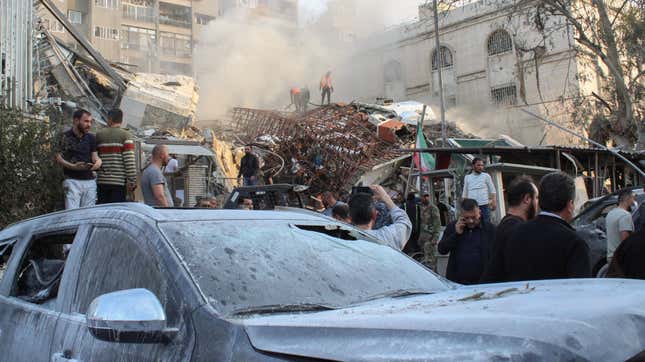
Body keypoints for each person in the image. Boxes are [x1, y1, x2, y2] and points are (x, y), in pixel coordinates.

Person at [502, 172, 591, 281]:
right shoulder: (574, 242)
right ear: (570, 205)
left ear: (540, 202)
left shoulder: (516, 233)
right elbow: (581, 289)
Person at [481, 176, 539, 283]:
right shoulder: (517, 230)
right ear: (527, 199)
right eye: (536, 198)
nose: (537, 203)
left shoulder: (506, 224)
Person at [438, 198, 496, 284]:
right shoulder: (453, 226)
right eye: (466, 218)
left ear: (479, 213)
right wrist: (456, 234)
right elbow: (442, 249)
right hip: (458, 283)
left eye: (474, 217)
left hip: (484, 283)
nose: (470, 221)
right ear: (461, 215)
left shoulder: (489, 229)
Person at [55, 109, 102, 209]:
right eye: (86, 121)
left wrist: (98, 162)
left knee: (88, 215)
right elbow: (57, 157)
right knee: (72, 215)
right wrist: (72, 166)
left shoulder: (91, 138)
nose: (89, 124)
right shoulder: (64, 137)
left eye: (90, 122)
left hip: (89, 181)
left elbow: (95, 156)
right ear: (76, 121)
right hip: (72, 181)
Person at [348, 185, 412, 250]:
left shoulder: (343, 240)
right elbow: (404, 222)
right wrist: (386, 197)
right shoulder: (386, 238)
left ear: (350, 218)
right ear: (375, 215)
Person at [95, 108, 136, 204]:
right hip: (118, 183)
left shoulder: (99, 135)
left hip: (102, 181)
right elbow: (129, 160)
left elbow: (95, 157)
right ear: (121, 120)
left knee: (102, 210)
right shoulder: (126, 135)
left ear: (109, 119)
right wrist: (132, 179)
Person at [605, 189, 636, 264]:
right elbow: (625, 240)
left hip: (611, 256)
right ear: (628, 199)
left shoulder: (610, 214)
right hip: (621, 258)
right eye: (633, 198)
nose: (633, 201)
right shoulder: (625, 215)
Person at [462, 157, 497, 223]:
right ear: (473, 166)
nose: (481, 167)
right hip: (471, 207)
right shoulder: (467, 177)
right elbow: (465, 192)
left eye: (482, 165)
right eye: (478, 165)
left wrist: (494, 202)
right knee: (473, 223)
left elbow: (492, 190)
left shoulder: (486, 176)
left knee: (486, 224)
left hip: (484, 206)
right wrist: (463, 206)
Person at [419, 193, 442, 269]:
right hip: (423, 238)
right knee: (425, 262)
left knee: (431, 262)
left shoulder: (433, 208)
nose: (422, 199)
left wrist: (435, 238)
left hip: (431, 238)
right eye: (422, 197)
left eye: (425, 197)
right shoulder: (421, 207)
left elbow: (437, 224)